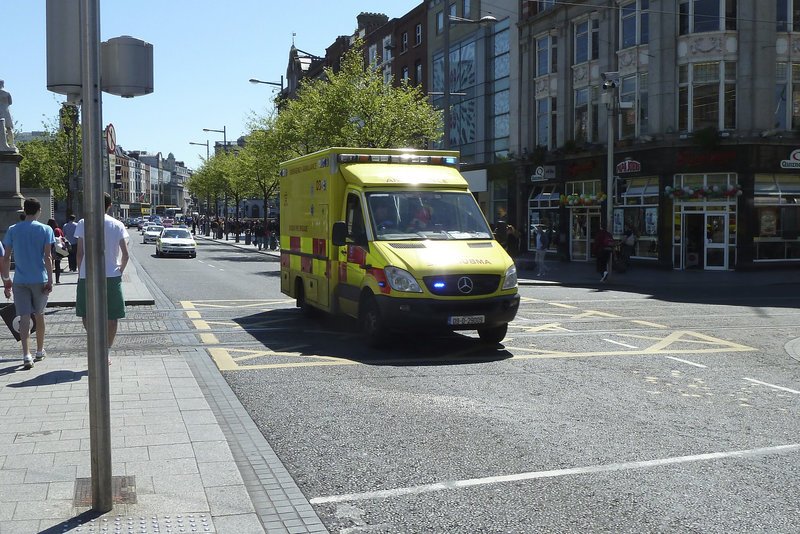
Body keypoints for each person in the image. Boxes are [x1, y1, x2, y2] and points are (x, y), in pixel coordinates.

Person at [0, 197, 55, 369]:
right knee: (39, 314)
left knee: (23, 317)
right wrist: (51, 280)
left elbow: (6, 257)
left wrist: (6, 280)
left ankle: (26, 354)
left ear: (24, 211)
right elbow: (48, 257)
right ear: (39, 211)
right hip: (39, 278)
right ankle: (39, 351)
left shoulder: (12, 230)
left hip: (20, 280)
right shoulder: (46, 229)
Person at [75, 192, 130, 365]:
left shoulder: (83, 223)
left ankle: (95, 345)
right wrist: (119, 271)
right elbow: (126, 255)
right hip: (111, 275)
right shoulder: (118, 224)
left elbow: (79, 253)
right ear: (109, 205)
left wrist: (80, 273)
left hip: (87, 275)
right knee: (112, 316)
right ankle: (106, 352)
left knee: (86, 314)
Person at [47, 219, 66, 284]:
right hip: (58, 249)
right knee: (57, 265)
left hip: (50, 248)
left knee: (49, 264)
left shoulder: (49, 230)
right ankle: (57, 279)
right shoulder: (58, 230)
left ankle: (49, 279)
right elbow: (63, 237)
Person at [0, 79, 14, 149]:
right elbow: (10, 102)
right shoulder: (7, 93)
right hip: (6, 111)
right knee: (9, 128)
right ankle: (12, 144)